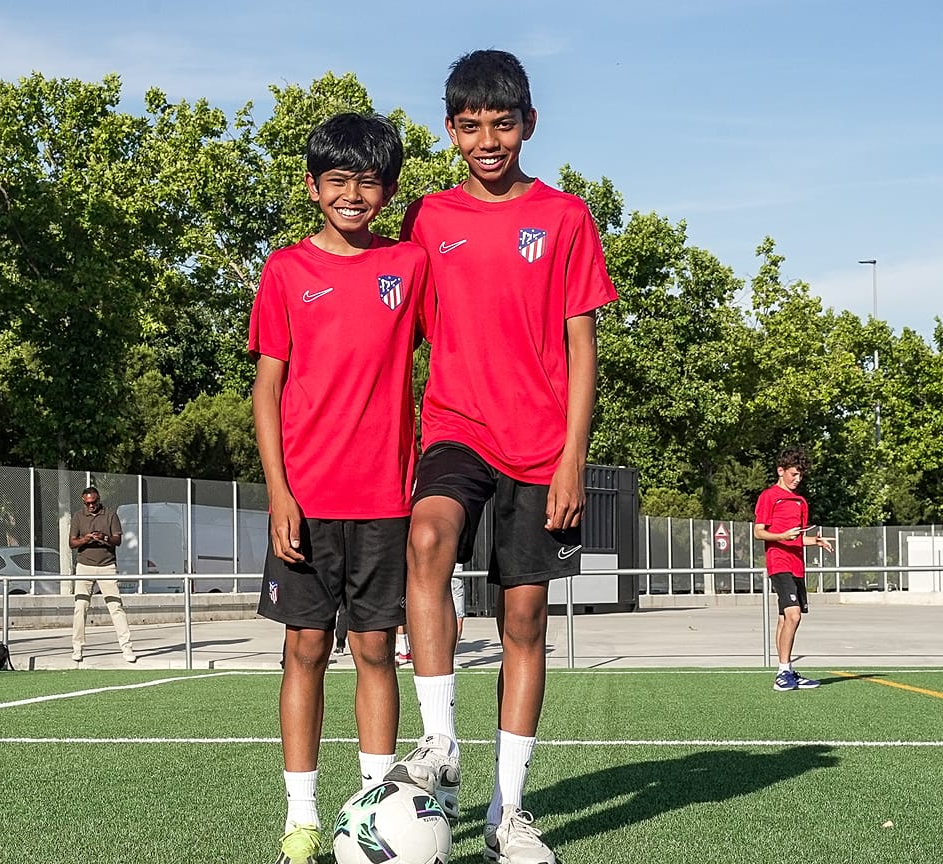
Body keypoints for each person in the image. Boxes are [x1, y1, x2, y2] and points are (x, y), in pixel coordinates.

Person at [390, 49, 618, 864]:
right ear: (449, 128)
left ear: (529, 123)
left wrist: (571, 459)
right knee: (427, 538)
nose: (488, 138)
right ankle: (439, 743)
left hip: (539, 446)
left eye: (503, 122)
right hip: (455, 426)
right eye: (471, 124)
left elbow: (583, 348)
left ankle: (506, 815)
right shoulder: (426, 218)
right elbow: (392, 333)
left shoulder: (565, 217)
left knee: (522, 620)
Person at [249, 111, 426, 864]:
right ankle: (302, 817)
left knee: (376, 651)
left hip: (387, 499)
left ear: (388, 190)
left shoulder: (411, 266)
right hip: (307, 501)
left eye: (371, 181)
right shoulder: (286, 271)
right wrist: (279, 492)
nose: (354, 194)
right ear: (314, 185)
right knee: (305, 650)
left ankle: (374, 815)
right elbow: (266, 390)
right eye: (339, 180)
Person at [754, 447, 835, 691]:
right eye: (793, 474)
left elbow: (796, 538)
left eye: (800, 475)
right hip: (778, 564)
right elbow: (759, 532)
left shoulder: (801, 502)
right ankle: (783, 672)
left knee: (784, 618)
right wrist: (781, 535)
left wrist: (815, 541)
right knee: (794, 615)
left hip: (798, 567)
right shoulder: (769, 496)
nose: (797, 479)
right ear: (781, 471)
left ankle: (786, 671)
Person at [67, 486, 135, 663]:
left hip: (107, 566)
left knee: (116, 607)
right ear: (84, 501)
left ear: (99, 500)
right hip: (84, 566)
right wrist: (86, 539)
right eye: (88, 503)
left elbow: (117, 540)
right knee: (80, 607)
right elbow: (72, 543)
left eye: (94, 502)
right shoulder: (78, 516)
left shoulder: (110, 515)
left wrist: (103, 538)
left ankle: (126, 648)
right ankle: (77, 647)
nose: (91, 506)